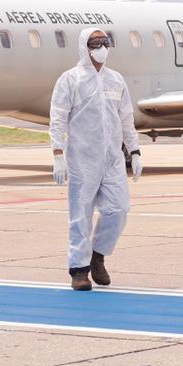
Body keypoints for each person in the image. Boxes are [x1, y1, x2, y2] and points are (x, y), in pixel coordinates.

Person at [49, 28, 142, 291]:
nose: (102, 47)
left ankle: (98, 254)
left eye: (106, 42)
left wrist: (134, 151)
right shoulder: (70, 80)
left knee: (119, 210)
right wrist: (58, 154)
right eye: (96, 43)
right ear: (84, 47)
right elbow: (57, 118)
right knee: (81, 216)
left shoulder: (116, 80)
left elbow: (126, 118)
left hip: (112, 159)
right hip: (82, 159)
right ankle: (79, 270)